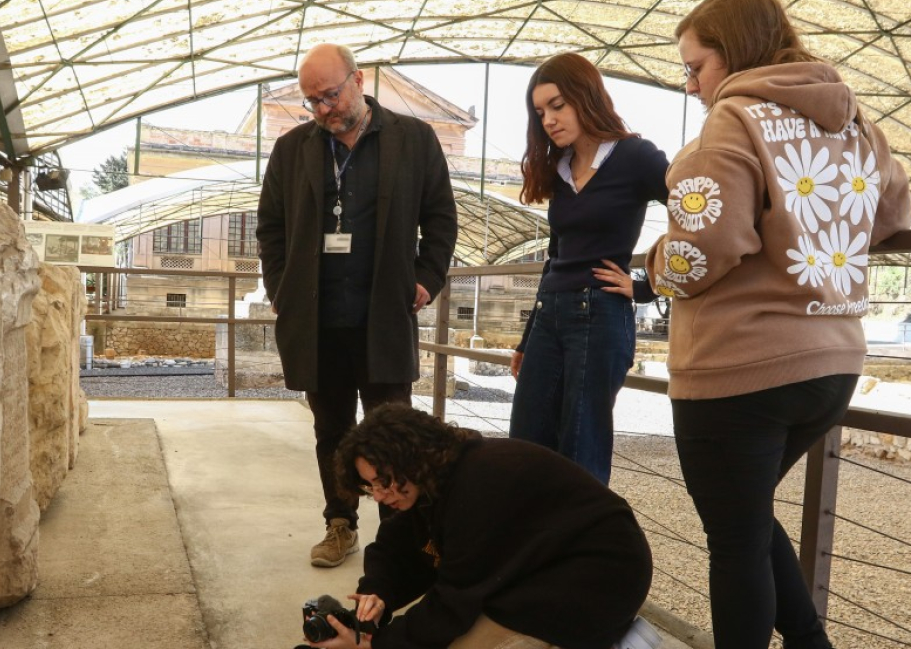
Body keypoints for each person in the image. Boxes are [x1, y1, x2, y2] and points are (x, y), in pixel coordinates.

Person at [646, 0, 911, 649]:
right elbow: (893, 215)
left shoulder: (733, 120)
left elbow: (704, 248)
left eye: (695, 66)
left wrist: (651, 268)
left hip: (739, 369)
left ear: (731, 55)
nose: (690, 84)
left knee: (733, 543)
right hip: (832, 363)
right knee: (748, 518)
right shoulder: (855, 123)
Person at [256, 44, 458, 569]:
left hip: (383, 316)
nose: (324, 108)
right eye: (312, 101)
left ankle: (401, 536)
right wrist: (280, 286)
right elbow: (271, 228)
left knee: (393, 431)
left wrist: (427, 278)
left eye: (330, 94)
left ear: (359, 80)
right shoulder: (293, 149)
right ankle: (339, 523)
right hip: (318, 321)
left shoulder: (413, 140)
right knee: (332, 432)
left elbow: (440, 218)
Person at [304, 403, 657, 649]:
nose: (381, 495)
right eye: (371, 487)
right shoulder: (426, 483)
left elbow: (453, 602)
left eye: (385, 481)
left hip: (598, 578)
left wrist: (376, 645)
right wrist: (377, 595)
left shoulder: (477, 484)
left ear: (413, 455)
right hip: (534, 568)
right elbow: (394, 548)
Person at [509, 52, 670, 485]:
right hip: (549, 317)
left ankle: (581, 549)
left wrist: (648, 287)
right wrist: (527, 339)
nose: (549, 120)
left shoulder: (635, 155)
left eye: (558, 105)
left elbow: (699, 216)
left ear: (587, 96)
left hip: (599, 315)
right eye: (540, 111)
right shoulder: (559, 169)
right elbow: (556, 254)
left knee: (581, 447)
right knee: (524, 444)